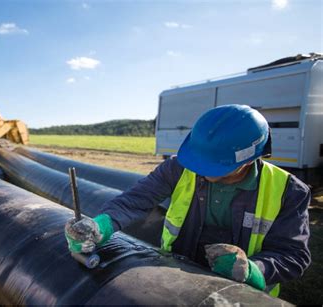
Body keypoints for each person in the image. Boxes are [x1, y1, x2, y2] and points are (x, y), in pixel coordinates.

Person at [64, 104, 311, 297]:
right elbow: (136, 199)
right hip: (177, 278)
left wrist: (253, 271)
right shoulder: (180, 167)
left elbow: (293, 255)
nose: (200, 170)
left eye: (212, 166)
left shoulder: (288, 191)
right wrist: (101, 226)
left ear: (247, 160)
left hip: (239, 294)